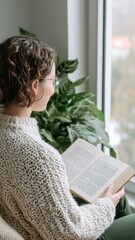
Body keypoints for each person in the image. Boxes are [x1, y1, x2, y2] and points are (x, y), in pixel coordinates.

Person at [0, 35, 134, 240]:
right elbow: (72, 234)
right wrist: (106, 205)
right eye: (53, 81)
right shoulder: (38, 157)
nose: (54, 89)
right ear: (35, 86)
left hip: (38, 223)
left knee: (118, 195)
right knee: (115, 200)